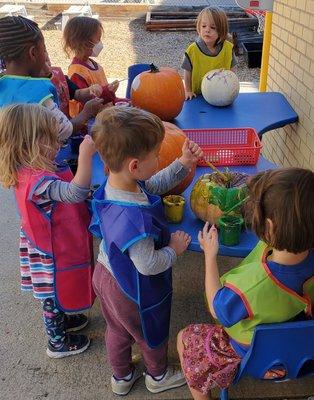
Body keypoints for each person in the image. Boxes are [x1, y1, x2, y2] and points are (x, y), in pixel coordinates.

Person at [90, 106, 203, 395]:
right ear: (135, 165)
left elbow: (152, 185)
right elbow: (149, 264)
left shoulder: (115, 186)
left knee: (116, 329)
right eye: (156, 154)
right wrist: (175, 250)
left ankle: (122, 377)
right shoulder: (135, 221)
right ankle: (158, 375)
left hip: (105, 272)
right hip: (131, 290)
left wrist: (183, 162)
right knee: (150, 332)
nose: (158, 157)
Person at [177, 167, 314, 400]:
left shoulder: (249, 288)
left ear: (269, 227)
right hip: (302, 354)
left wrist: (210, 257)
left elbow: (216, 308)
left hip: (255, 358)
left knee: (184, 338)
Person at [0, 103, 96, 358]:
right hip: (49, 251)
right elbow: (74, 194)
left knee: (57, 290)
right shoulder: (40, 182)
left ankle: (63, 318)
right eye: (51, 139)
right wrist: (86, 155)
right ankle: (57, 342)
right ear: (30, 144)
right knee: (52, 294)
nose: (59, 143)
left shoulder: (29, 168)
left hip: (44, 242)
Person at [0, 15, 104, 141]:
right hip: (37, 159)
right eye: (43, 50)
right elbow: (65, 130)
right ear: (33, 53)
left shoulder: (3, 84)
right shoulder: (39, 94)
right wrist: (87, 111)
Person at [63, 16, 122, 117]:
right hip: (92, 124)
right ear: (84, 43)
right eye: (98, 40)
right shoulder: (77, 72)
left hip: (106, 116)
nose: (100, 44)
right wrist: (108, 92)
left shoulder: (96, 65)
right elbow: (86, 103)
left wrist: (119, 100)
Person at [182, 6, 237, 100]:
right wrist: (188, 90)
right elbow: (187, 72)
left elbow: (233, 69)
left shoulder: (228, 48)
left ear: (221, 30)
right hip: (198, 95)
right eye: (203, 26)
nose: (207, 30)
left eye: (212, 27)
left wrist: (232, 88)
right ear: (199, 27)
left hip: (221, 94)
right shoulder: (192, 50)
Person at [41, 50, 103, 118]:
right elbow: (62, 127)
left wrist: (90, 90)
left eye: (47, 60)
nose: (47, 67)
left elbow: (77, 93)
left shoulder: (59, 77)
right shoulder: (40, 92)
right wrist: (86, 112)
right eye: (41, 64)